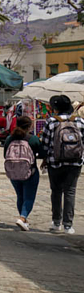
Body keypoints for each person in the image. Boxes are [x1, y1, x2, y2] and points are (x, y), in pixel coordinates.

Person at [43, 94, 84, 234]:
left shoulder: (51, 121)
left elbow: (46, 143)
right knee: (70, 191)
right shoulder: (79, 121)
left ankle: (56, 222)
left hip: (55, 162)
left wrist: (44, 158)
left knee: (56, 192)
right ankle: (68, 225)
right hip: (75, 162)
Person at [3, 115, 47, 231]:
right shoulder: (32, 139)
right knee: (29, 196)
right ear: (29, 126)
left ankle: (24, 219)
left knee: (20, 196)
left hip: (13, 172)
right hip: (30, 171)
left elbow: (5, 155)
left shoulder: (9, 139)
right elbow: (42, 153)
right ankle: (22, 218)